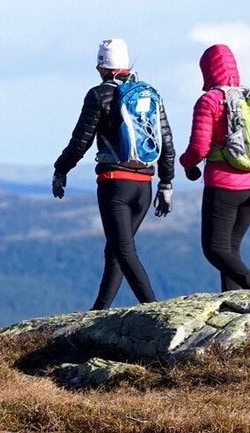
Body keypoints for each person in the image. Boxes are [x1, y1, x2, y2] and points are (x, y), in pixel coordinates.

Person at [52, 38, 176, 310]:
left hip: (115, 184)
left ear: (101, 66)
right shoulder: (149, 95)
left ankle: (154, 309)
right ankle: (99, 310)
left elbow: (79, 142)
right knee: (116, 248)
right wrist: (166, 183)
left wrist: (60, 169)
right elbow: (166, 142)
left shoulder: (98, 95)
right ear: (127, 63)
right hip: (145, 185)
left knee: (123, 249)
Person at [178, 43, 250, 291]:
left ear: (206, 71)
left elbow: (198, 149)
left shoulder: (210, 101)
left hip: (224, 186)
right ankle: (231, 304)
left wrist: (185, 164)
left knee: (215, 249)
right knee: (231, 249)